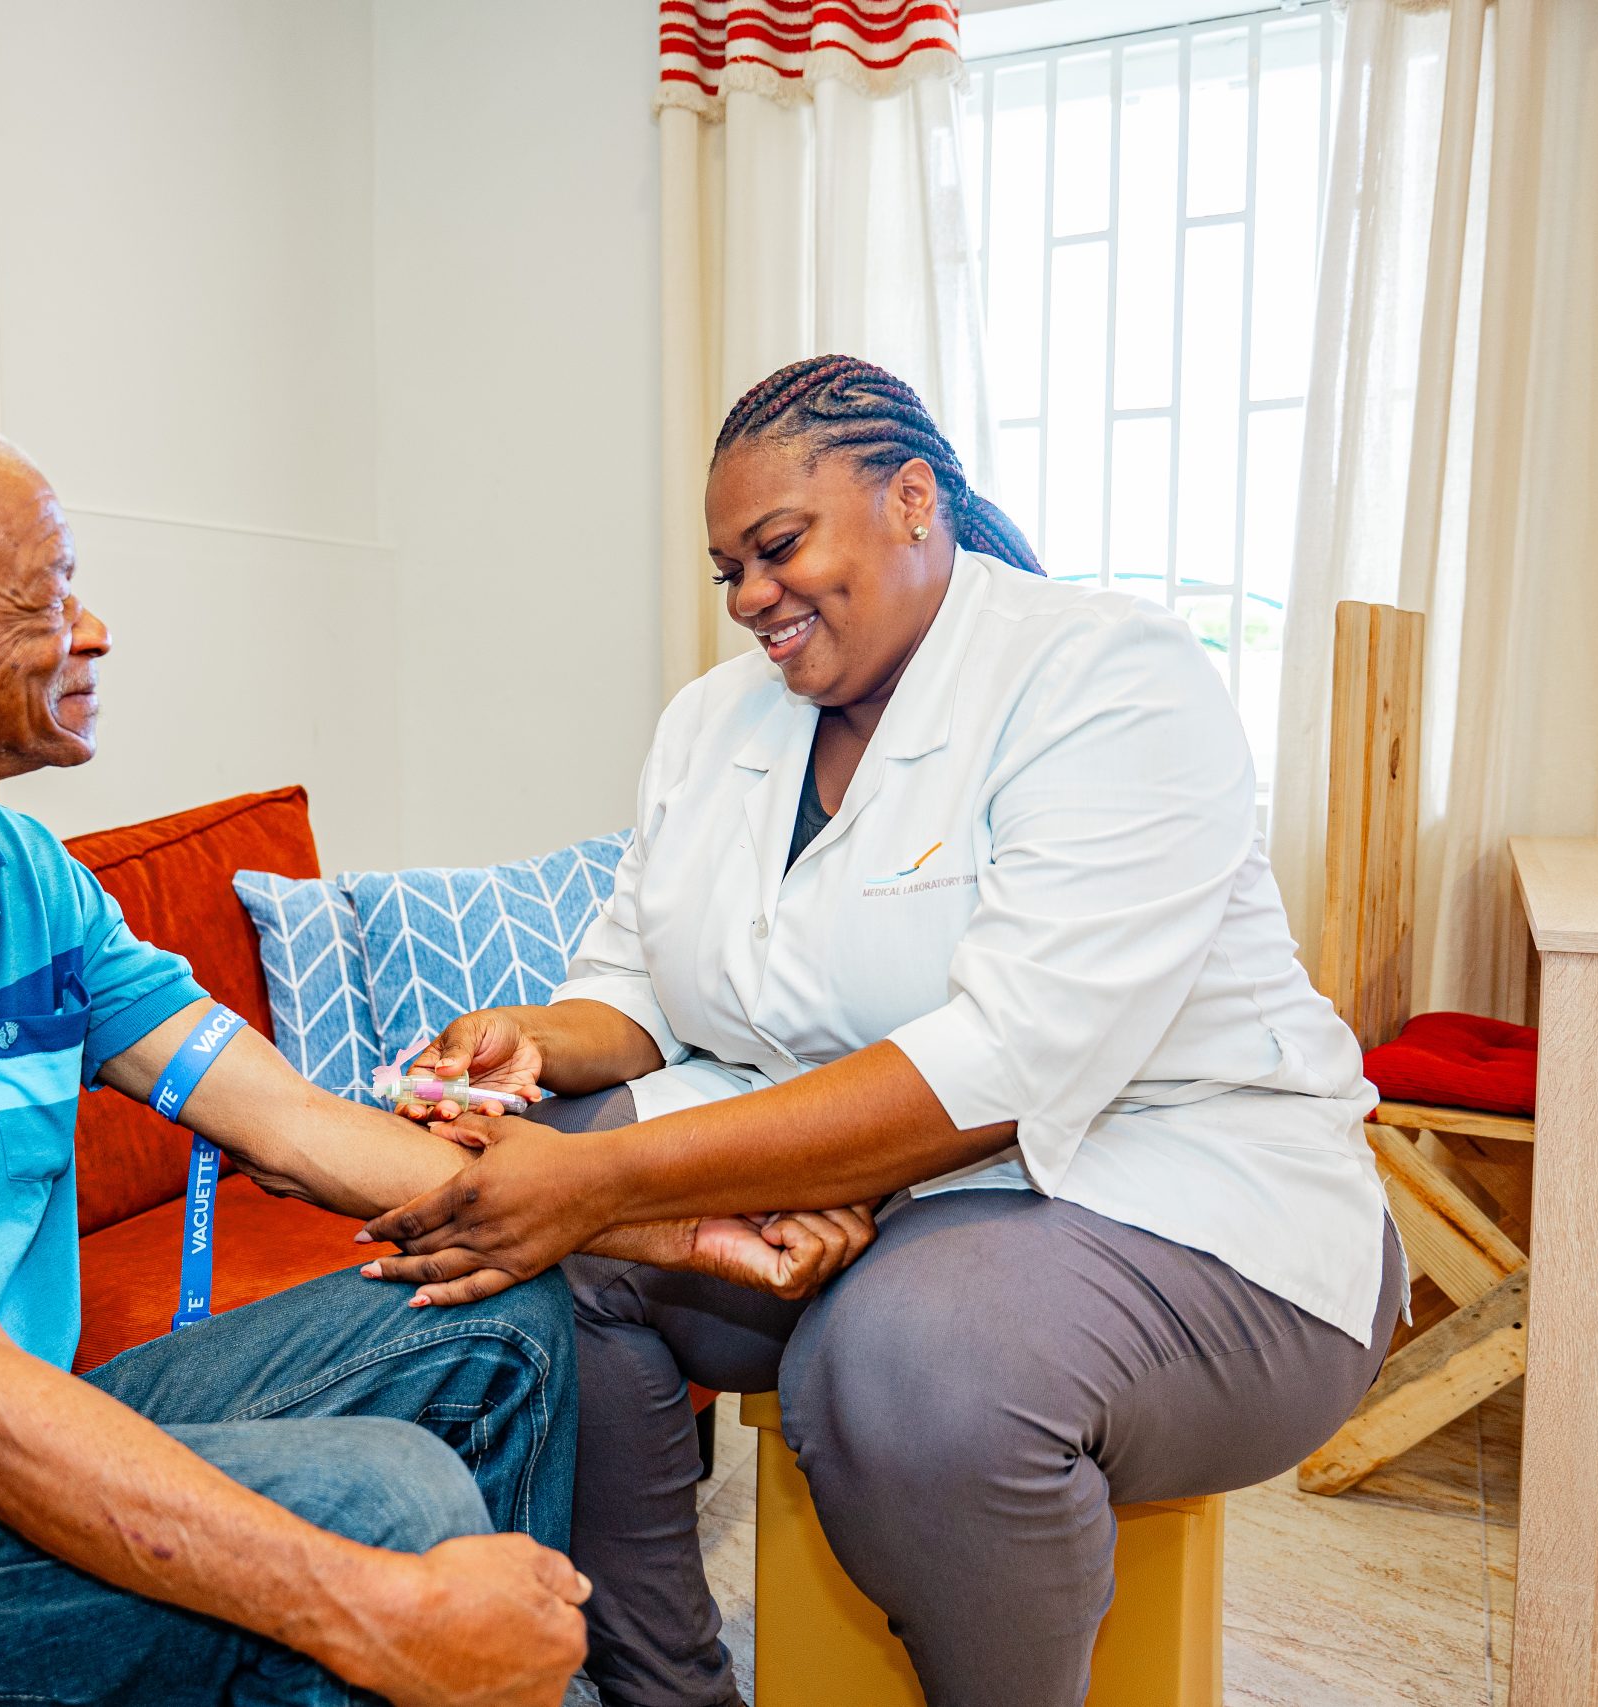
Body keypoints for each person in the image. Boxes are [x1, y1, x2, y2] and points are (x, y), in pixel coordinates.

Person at [0, 405, 870, 1707]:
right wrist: (382, 1614)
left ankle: (506, 1670)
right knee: (387, 1508)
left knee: (497, 1306)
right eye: (46, 596)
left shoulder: (11, 874)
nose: (93, 630)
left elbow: (288, 1121)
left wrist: (674, 1215)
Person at [366, 356, 1405, 1707]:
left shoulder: (1107, 677)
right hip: (875, 1193)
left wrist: (617, 1180)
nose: (750, 597)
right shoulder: (709, 726)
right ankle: (662, 1692)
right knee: (536, 1247)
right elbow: (637, 985)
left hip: (1186, 1207)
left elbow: (1009, 1059)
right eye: (728, 566)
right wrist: (540, 1045)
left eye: (780, 546)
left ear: (913, 498)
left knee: (908, 1366)